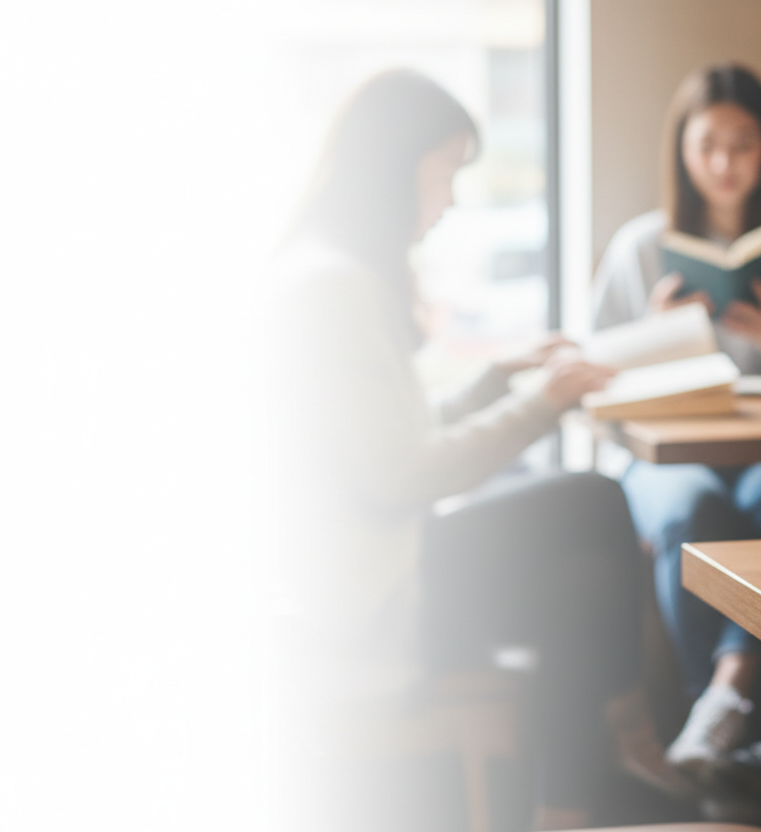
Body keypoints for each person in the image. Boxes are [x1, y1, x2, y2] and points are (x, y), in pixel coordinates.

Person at [268, 69, 690, 831]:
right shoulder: (333, 287)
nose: (452, 198)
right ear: (398, 167)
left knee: (583, 582)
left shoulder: (327, 270)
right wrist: (543, 403)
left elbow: (397, 437)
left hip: (380, 570)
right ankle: (629, 728)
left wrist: (501, 378)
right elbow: (403, 475)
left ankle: (564, 810)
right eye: (448, 171)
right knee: (592, 499)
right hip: (373, 603)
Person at [590, 63, 761, 790]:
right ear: (681, 149)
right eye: (707, 144)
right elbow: (592, 383)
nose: (724, 163)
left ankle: (724, 698)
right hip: (669, 456)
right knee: (688, 506)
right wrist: (649, 342)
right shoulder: (639, 248)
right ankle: (719, 699)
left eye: (743, 145)